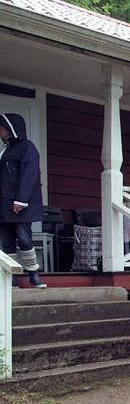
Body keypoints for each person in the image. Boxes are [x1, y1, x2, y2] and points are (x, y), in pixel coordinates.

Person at [0, 113, 46, 288]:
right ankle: (11, 278)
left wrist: (21, 200)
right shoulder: (5, 150)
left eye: (2, 126)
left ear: (11, 128)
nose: (0, 130)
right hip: (4, 203)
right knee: (7, 242)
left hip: (19, 204)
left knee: (24, 238)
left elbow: (29, 174)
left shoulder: (27, 148)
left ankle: (33, 274)